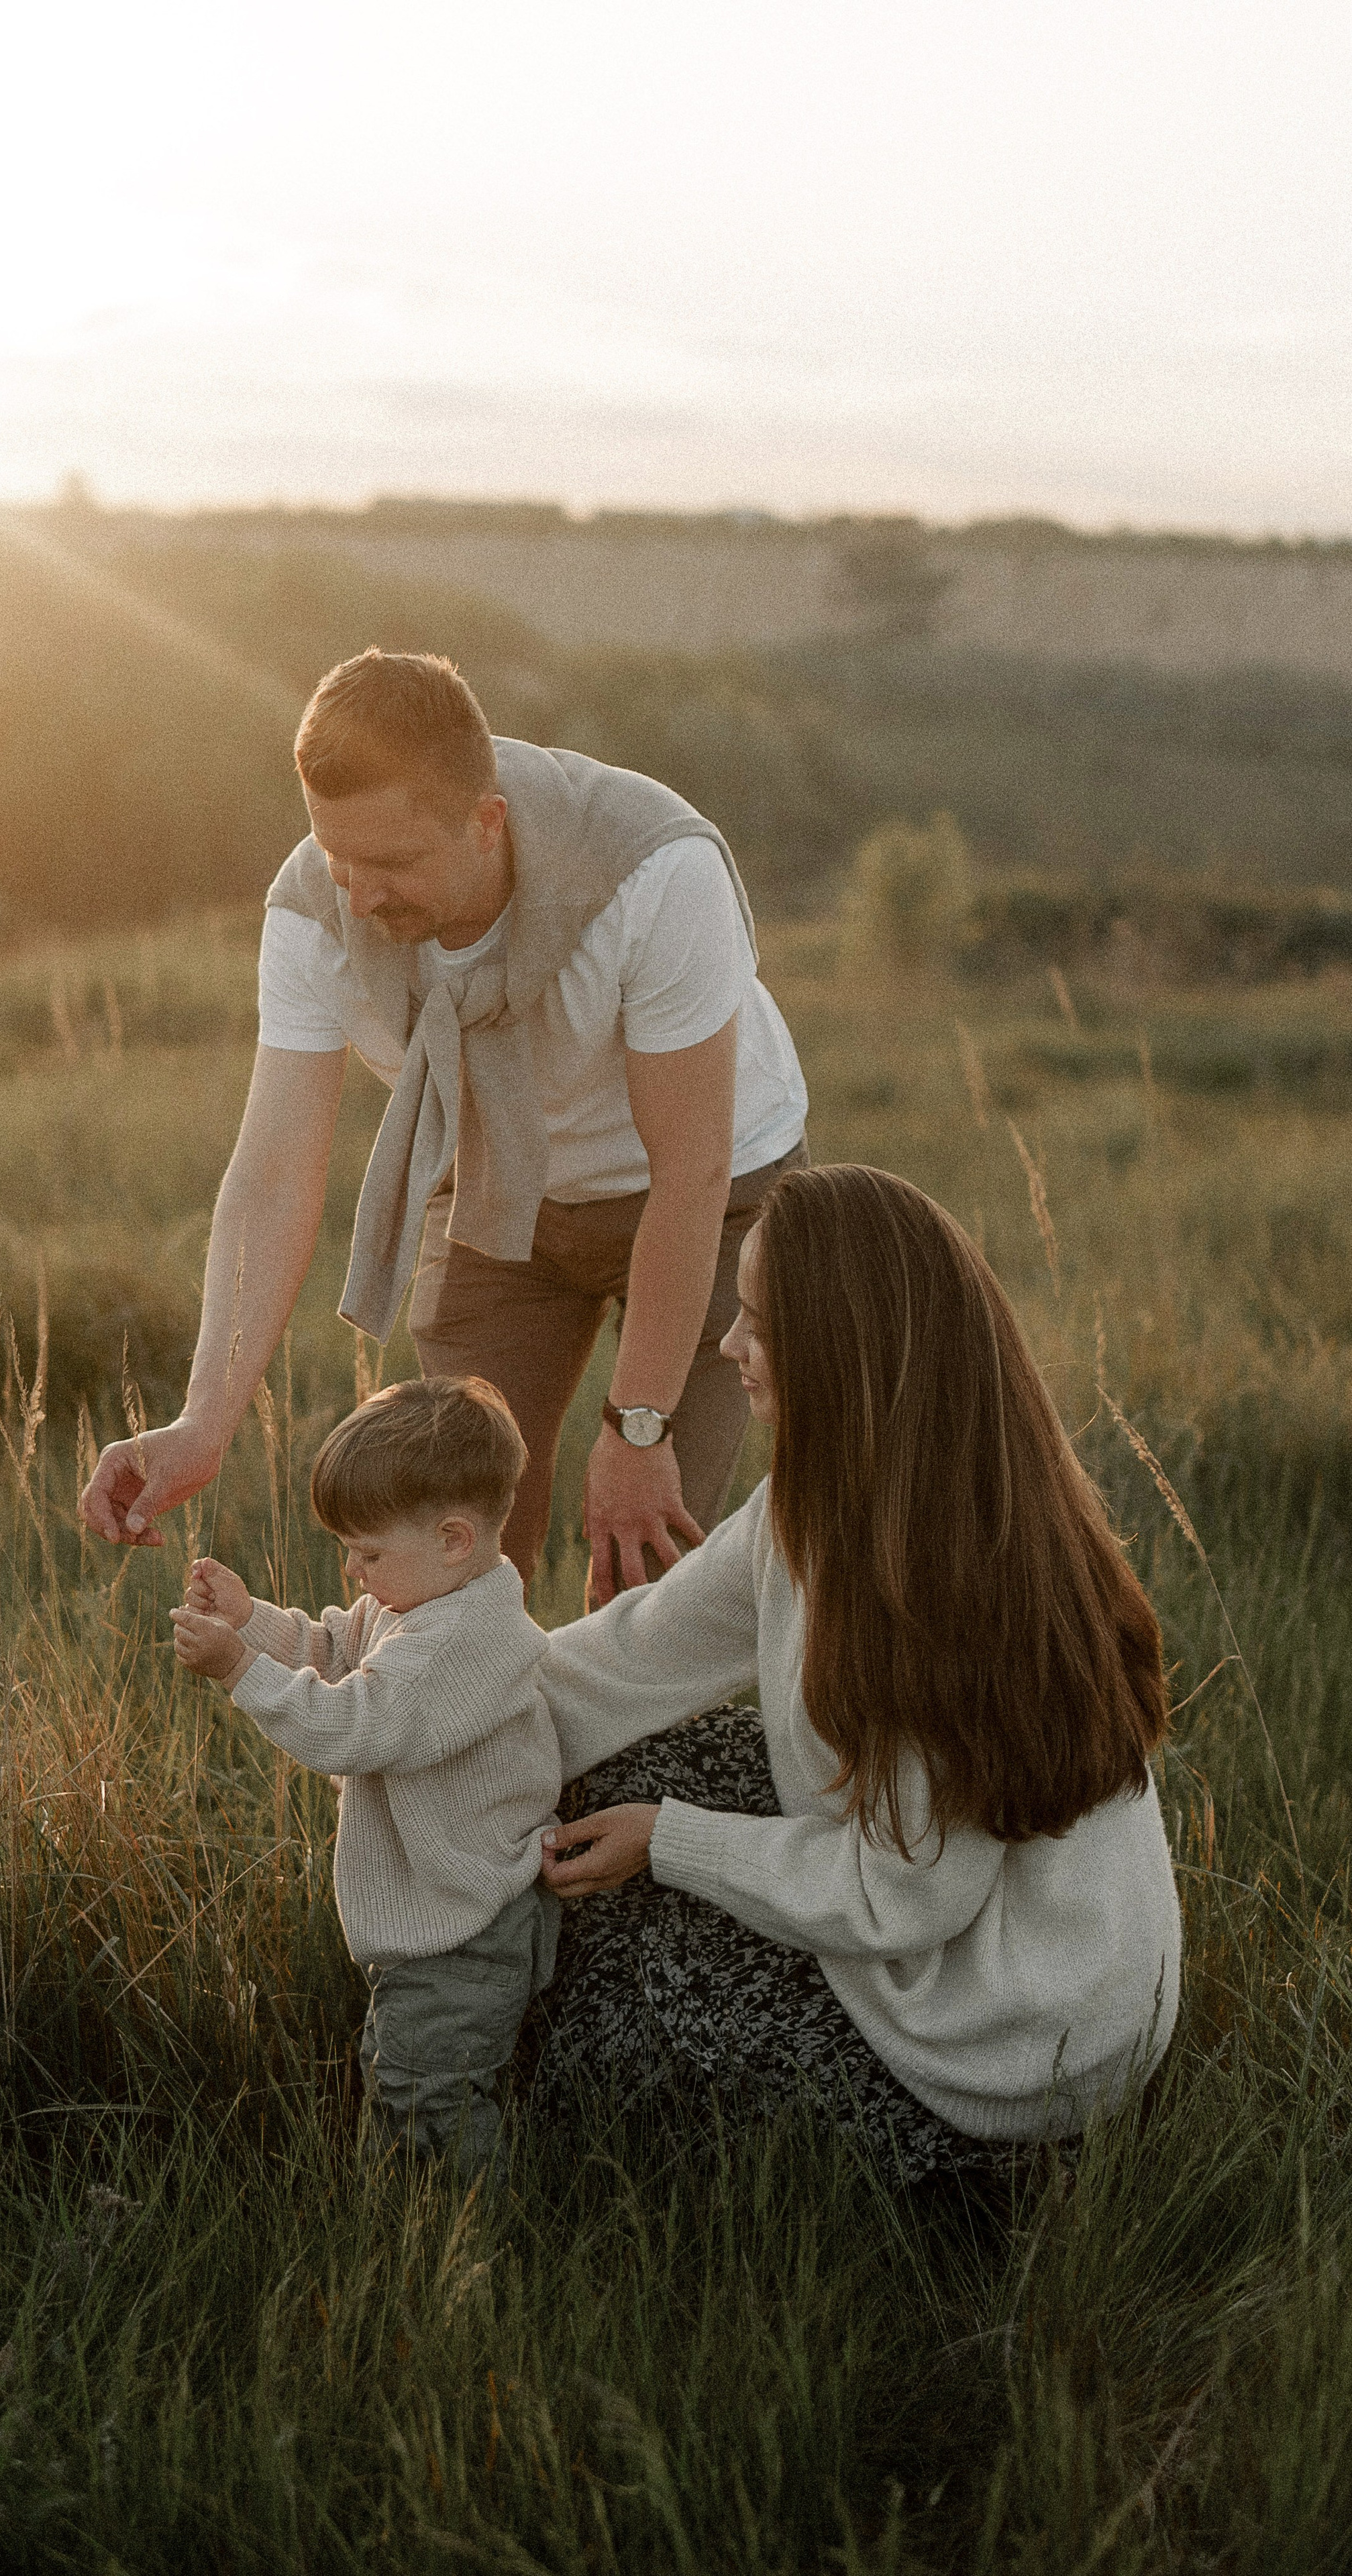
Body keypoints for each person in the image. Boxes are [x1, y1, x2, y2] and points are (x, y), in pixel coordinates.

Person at [81, 649, 808, 1603]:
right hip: (498, 1190)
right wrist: (203, 1423)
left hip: (711, 1202)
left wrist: (640, 1429)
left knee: (645, 1564)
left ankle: (622, 1740)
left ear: (486, 823)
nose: (360, 895)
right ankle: (483, 1746)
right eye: (339, 859)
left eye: (391, 864)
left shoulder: (652, 866)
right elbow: (273, 1175)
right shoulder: (312, 912)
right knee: (453, 1557)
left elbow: (692, 1169)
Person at [533, 1164, 1181, 2185]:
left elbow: (906, 1904)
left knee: (626, 2012)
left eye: (758, 1322)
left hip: (1014, 2040)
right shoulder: (832, 1497)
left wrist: (670, 1841)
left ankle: (982, 2193)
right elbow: (618, 1661)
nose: (729, 1345)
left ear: (843, 1348)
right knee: (619, 1769)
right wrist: (410, 1704)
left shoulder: (934, 1588)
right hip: (974, 1941)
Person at [170, 1375, 561, 2179]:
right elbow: (337, 1657)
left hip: (463, 1930)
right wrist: (253, 1620)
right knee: (403, 2074)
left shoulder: (463, 1641)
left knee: (430, 2100)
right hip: (434, 1916)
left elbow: (355, 1724)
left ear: (454, 1537)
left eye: (368, 1552)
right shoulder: (418, 1601)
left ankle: (459, 2245)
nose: (352, 1570)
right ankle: (400, 2221)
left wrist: (240, 1668)